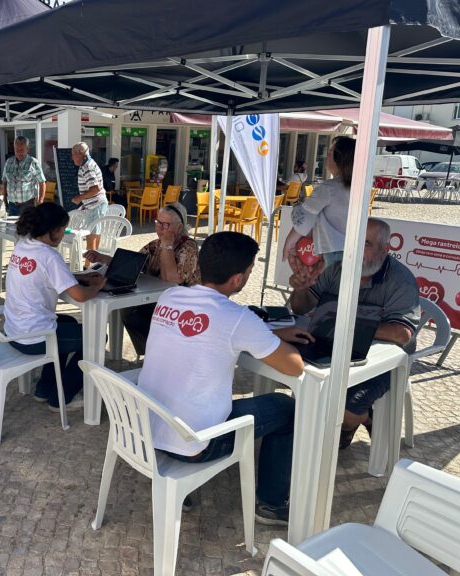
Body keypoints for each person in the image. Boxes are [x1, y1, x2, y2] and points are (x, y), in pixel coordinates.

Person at [139, 231, 310, 525]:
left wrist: (268, 333)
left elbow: (211, 333)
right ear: (238, 279)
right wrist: (280, 341)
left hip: (146, 428)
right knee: (286, 408)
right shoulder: (238, 317)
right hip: (194, 444)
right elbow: (294, 367)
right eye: (250, 271)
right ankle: (271, 504)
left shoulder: (171, 295)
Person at [288, 218, 420, 448]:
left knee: (346, 411)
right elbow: (300, 308)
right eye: (354, 241)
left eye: (366, 244)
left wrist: (344, 324)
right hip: (337, 344)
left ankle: (358, 420)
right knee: (298, 376)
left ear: (384, 249)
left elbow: (402, 334)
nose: (356, 249)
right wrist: (300, 289)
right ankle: (345, 426)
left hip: (386, 361)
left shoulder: (401, 280)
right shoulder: (337, 268)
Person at [4, 202, 106, 410]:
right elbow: (80, 296)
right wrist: (97, 286)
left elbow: (43, 274)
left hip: (15, 330)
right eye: (63, 230)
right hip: (34, 337)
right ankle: (62, 397)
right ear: (53, 231)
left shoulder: (24, 244)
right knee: (97, 337)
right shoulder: (49, 256)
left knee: (68, 322)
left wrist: (79, 277)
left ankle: (45, 387)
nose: (63, 235)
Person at [85, 203, 200, 356]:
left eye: (166, 225)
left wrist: (167, 246)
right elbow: (133, 264)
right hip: (156, 298)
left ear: (179, 227)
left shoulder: (188, 247)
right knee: (125, 304)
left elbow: (171, 279)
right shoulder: (155, 244)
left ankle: (158, 353)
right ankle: (151, 351)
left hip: (179, 305)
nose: (160, 228)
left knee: (133, 311)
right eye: (158, 222)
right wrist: (103, 258)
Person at [282, 136, 356, 283]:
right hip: (353, 250)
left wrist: (289, 243)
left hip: (333, 250)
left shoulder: (329, 188)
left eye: (330, 153)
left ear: (339, 159)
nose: (326, 156)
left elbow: (305, 218)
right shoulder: (358, 187)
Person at [71, 142, 109, 252]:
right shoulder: (88, 164)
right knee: (95, 234)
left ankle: (90, 261)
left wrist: (79, 198)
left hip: (95, 205)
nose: (72, 157)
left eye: (73, 154)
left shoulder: (86, 167)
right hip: (96, 205)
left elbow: (95, 188)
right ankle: (93, 259)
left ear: (81, 154)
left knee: (91, 236)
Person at [1, 136, 46, 216]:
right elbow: (5, 181)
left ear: (27, 149)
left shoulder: (33, 163)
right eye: (17, 150)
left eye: (22, 150)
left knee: (28, 224)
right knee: (12, 224)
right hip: (12, 205)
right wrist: (4, 199)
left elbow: (42, 183)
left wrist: (40, 201)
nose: (19, 152)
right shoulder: (8, 162)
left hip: (28, 204)